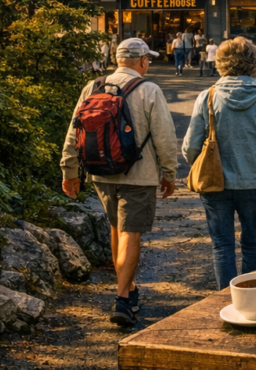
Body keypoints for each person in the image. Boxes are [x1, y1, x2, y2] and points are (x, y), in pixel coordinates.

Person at [61, 38, 178, 327]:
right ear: (141, 61)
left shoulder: (93, 87)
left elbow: (74, 132)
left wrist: (70, 171)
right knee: (131, 233)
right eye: (147, 59)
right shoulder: (149, 89)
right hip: (139, 176)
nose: (148, 63)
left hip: (100, 172)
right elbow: (164, 137)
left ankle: (130, 289)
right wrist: (170, 173)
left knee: (117, 228)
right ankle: (123, 298)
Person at [182, 37, 256, 291]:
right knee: (253, 243)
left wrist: (197, 161)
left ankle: (224, 299)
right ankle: (252, 298)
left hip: (214, 182)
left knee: (222, 245)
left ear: (219, 64)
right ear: (253, 63)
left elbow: (190, 148)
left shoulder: (206, 97)